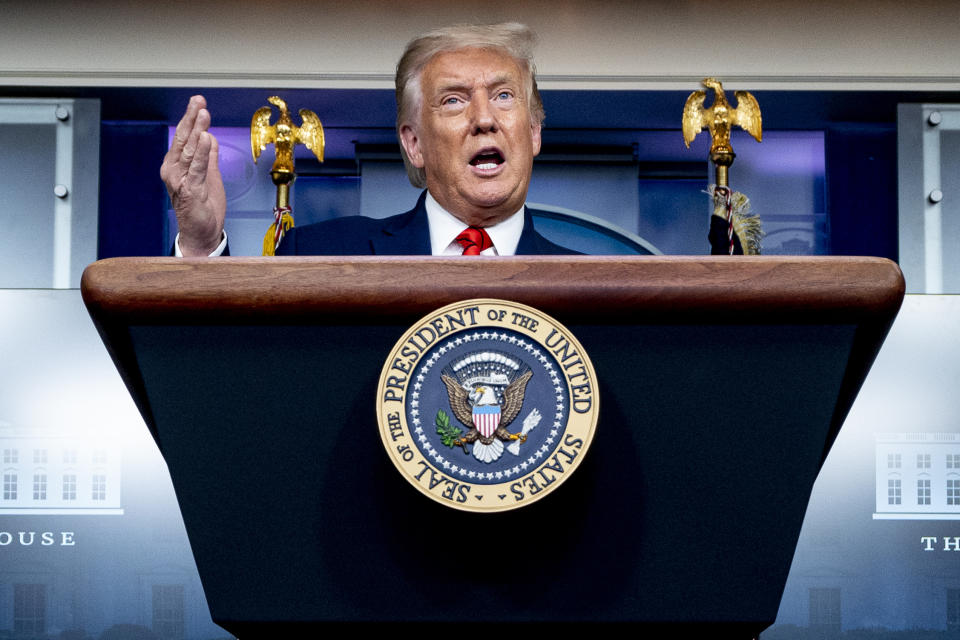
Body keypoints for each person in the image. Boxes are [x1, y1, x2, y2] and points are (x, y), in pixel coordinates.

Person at [160, 22, 575, 257]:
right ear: (414, 145)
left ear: (534, 132)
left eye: (504, 96)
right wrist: (200, 247)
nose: (484, 118)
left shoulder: (602, 289)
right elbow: (242, 376)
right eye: (453, 100)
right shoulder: (318, 254)